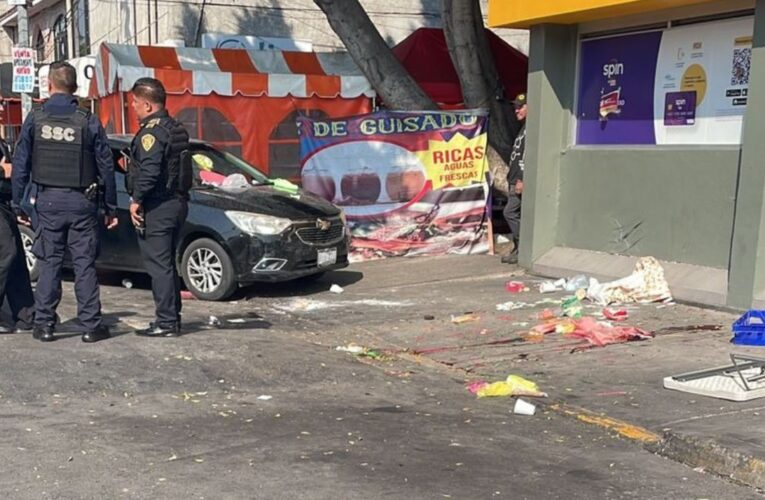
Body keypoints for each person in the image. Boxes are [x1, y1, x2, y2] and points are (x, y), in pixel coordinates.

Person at [12, 62, 118, 343]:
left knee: (49, 263)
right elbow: (105, 165)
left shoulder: (35, 118)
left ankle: (44, 324)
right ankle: (91, 326)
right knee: (84, 264)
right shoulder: (87, 119)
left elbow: (21, 164)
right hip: (82, 201)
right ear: (75, 87)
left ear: (49, 85)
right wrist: (109, 205)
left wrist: (19, 204)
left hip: (47, 202)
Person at [128, 77, 190, 338]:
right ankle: (172, 317)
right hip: (177, 202)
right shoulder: (175, 127)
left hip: (159, 205)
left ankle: (165, 322)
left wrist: (136, 200)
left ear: (148, 105)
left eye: (135, 102)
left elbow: (151, 172)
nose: (132, 106)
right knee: (167, 264)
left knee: (159, 265)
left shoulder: (151, 133)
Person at [0, 137, 35, 333]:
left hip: (5, 204)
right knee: (7, 253)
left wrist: (16, 207)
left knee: (17, 260)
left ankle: (26, 314)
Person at [502, 93, 527, 265]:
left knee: (509, 212)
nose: (516, 110)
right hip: (513, 179)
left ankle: (523, 248)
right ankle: (517, 248)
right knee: (516, 213)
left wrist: (522, 179)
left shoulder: (532, 128)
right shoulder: (523, 128)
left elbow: (529, 156)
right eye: (515, 107)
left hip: (520, 180)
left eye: (520, 107)